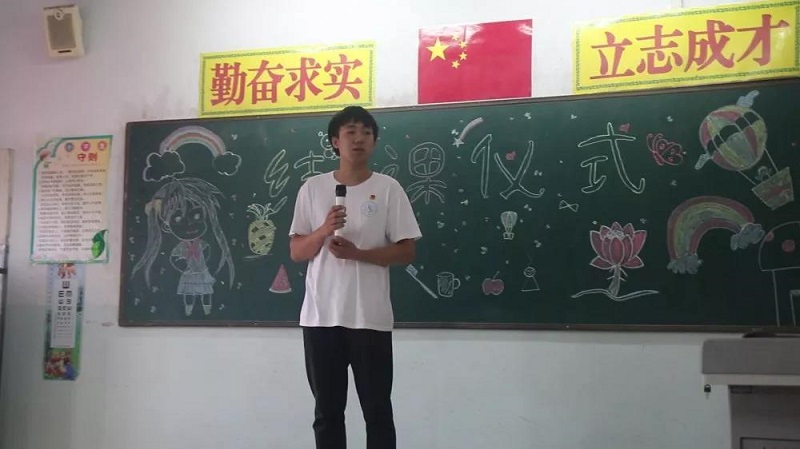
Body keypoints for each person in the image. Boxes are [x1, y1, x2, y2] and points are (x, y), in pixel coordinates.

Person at [288, 106, 421, 449]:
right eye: (350, 132)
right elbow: (297, 251)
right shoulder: (313, 188)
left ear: (374, 141)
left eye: (366, 132)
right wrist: (324, 229)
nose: (358, 138)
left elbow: (406, 251)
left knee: (377, 412)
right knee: (327, 412)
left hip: (369, 318)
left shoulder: (388, 189)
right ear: (335, 141)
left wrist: (357, 254)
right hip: (321, 318)